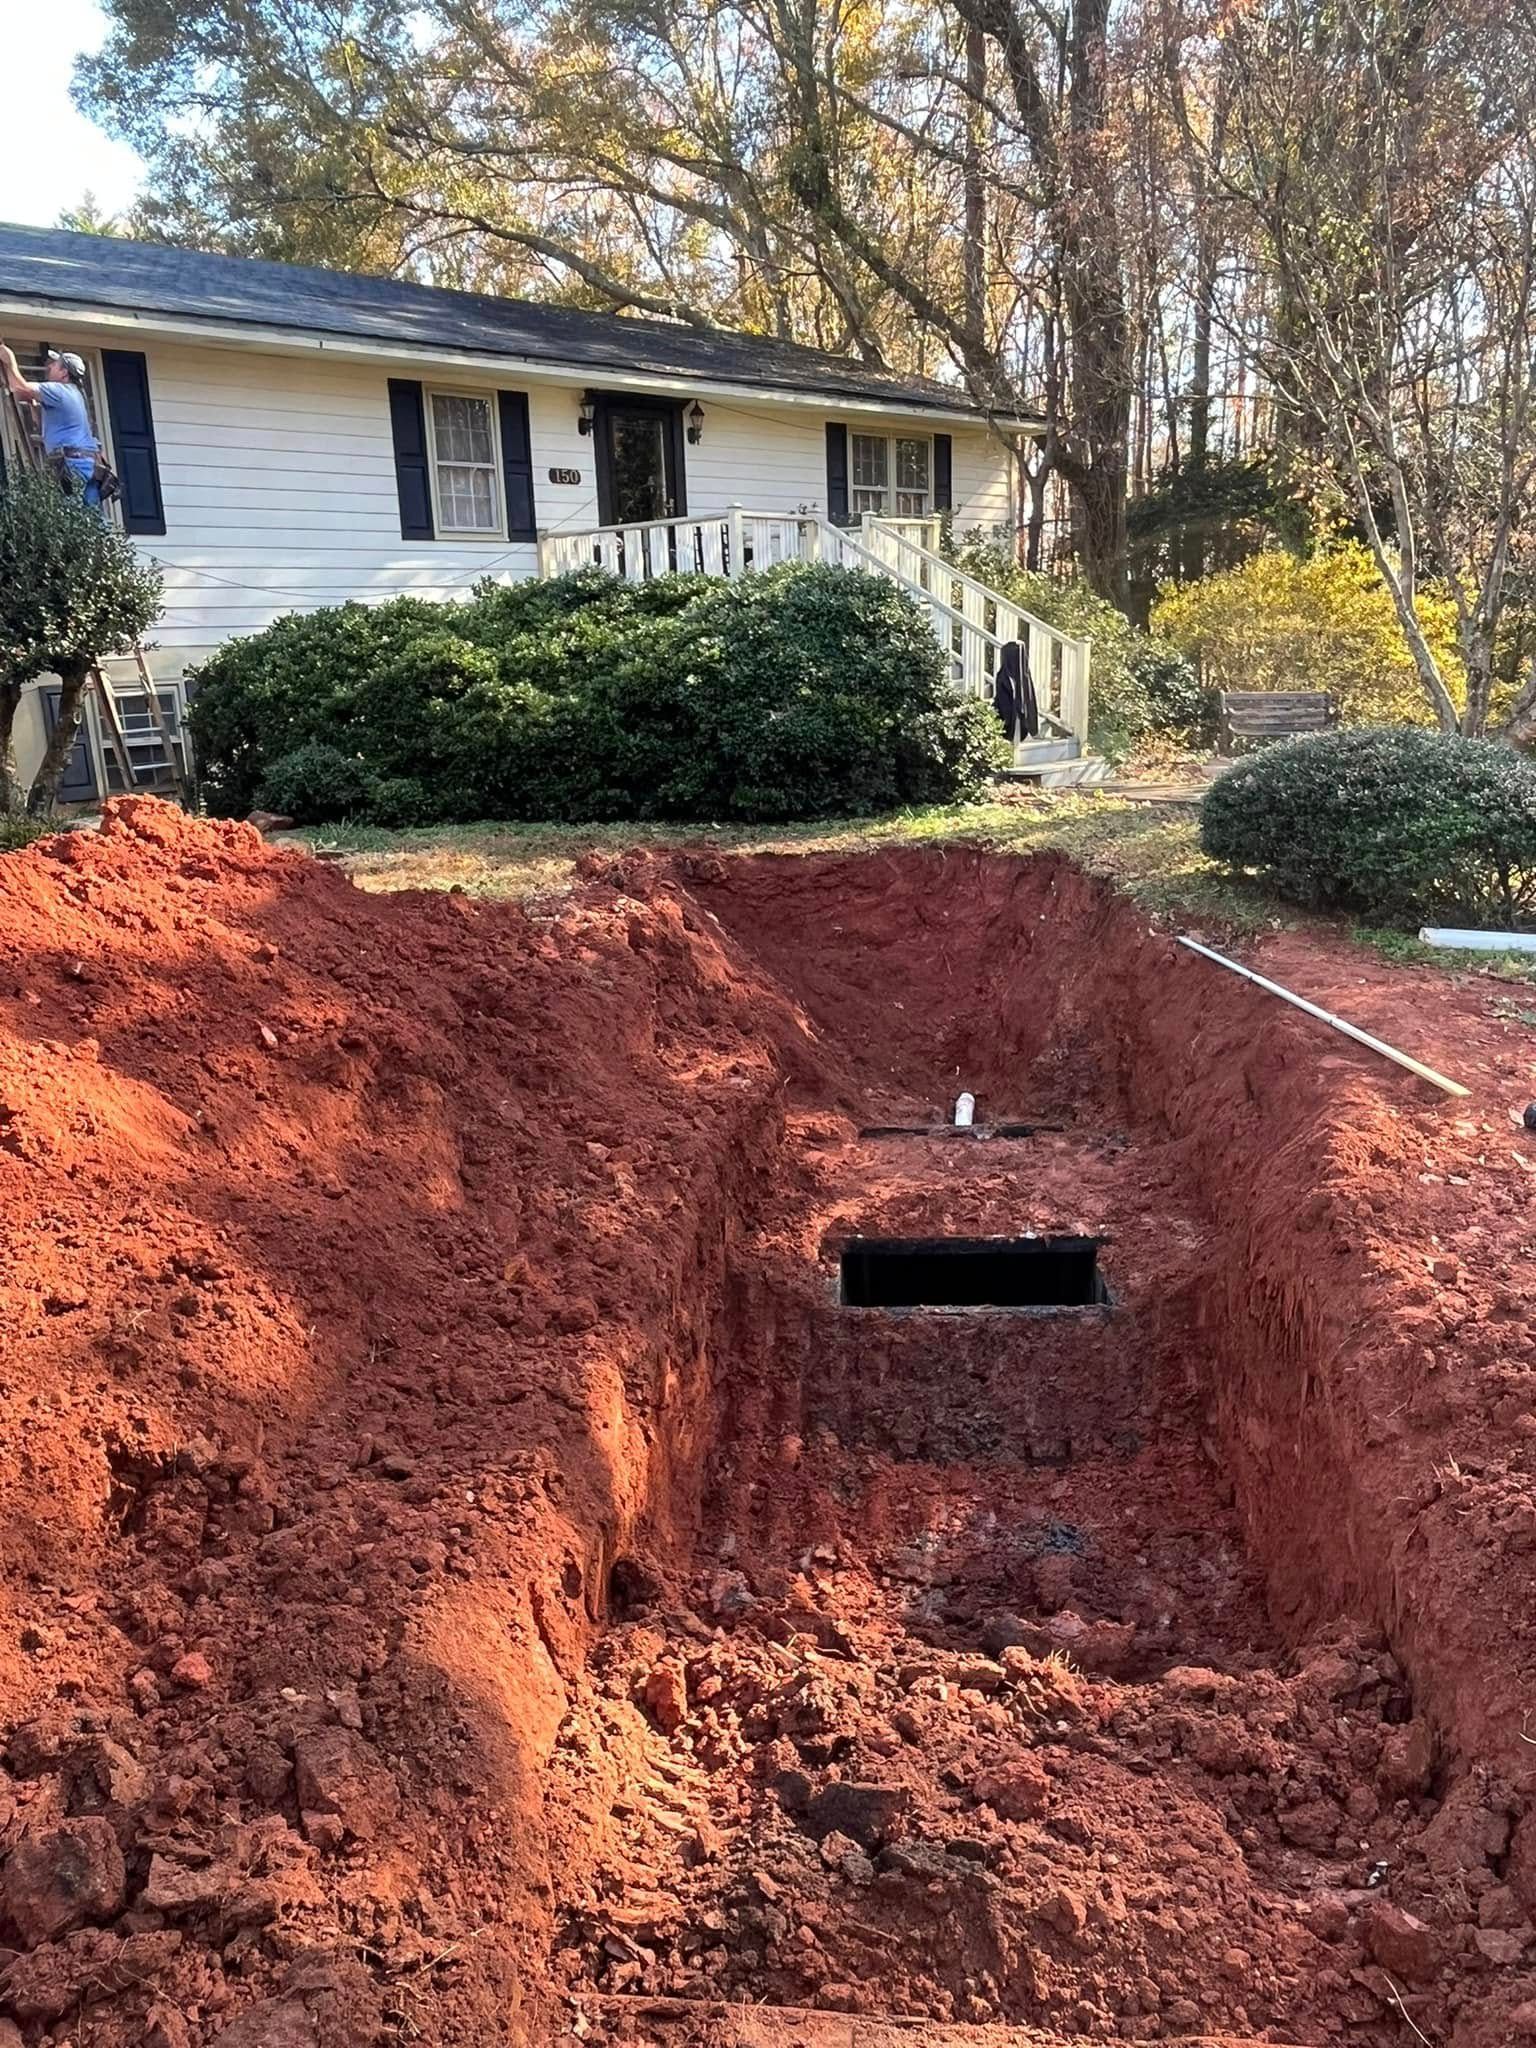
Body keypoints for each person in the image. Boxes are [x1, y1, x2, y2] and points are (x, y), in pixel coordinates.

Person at [0, 344, 106, 504]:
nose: (49, 367)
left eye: (55, 364)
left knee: (71, 511)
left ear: (64, 373)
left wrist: (10, 361)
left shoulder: (59, 391)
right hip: (88, 464)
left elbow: (19, 387)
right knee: (89, 514)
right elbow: (49, 427)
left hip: (73, 464)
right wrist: (34, 408)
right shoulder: (77, 394)